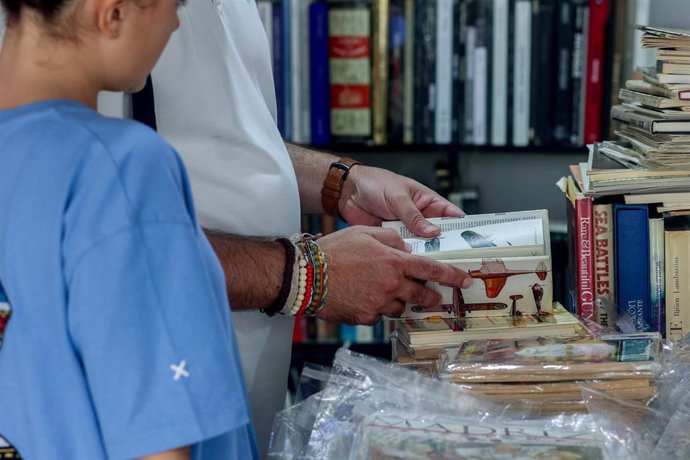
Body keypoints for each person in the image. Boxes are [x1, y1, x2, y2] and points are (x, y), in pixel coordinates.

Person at [99, 2, 472, 457]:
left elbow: (228, 143)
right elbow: (108, 243)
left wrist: (342, 182)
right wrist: (309, 275)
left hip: (234, 393)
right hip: (163, 395)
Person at [0, 1, 257, 458]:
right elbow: (159, 442)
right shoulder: (119, 167)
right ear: (112, 12)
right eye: (175, 5)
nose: (177, 23)